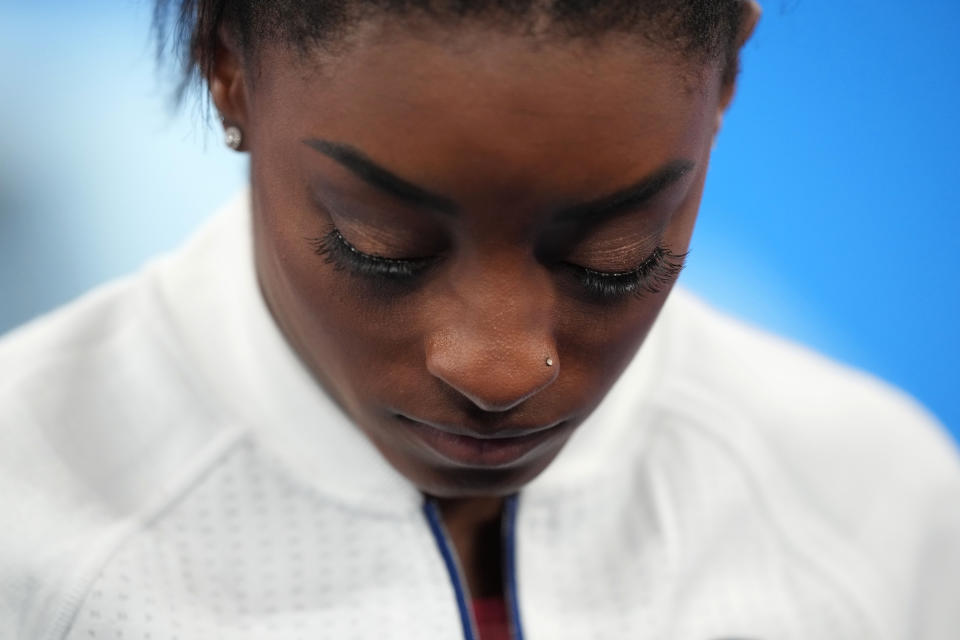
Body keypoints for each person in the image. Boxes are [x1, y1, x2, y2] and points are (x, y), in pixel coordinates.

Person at [2, 0, 959, 638]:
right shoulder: (29, 535)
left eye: (612, 259)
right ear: (227, 64)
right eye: (382, 247)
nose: (501, 368)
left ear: (728, 81)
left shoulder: (875, 503)